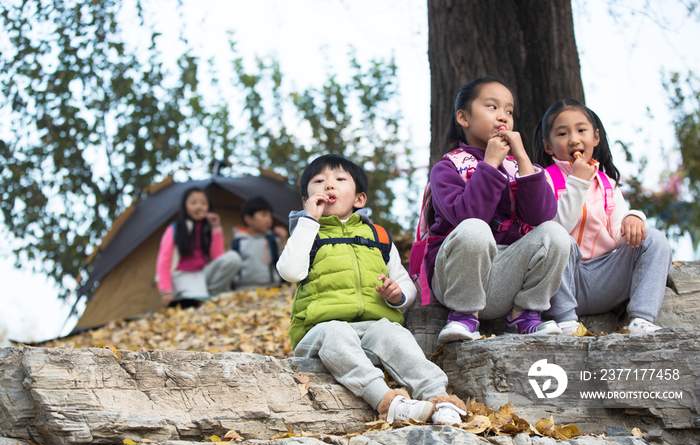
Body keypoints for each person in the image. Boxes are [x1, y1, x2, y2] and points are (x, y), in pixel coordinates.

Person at [277, 154, 468, 426]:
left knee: (393, 333)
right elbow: (289, 271)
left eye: (340, 180)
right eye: (319, 181)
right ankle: (388, 402)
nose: (329, 186)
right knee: (337, 331)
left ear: (359, 200)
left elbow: (404, 283)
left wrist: (397, 296)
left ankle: (439, 397)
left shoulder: (377, 236)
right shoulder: (308, 233)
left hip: (370, 329)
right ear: (306, 200)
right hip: (319, 333)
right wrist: (308, 220)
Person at [428, 76, 572, 344]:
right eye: (492, 107)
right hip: (456, 277)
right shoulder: (447, 168)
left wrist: (524, 160)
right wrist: (490, 163)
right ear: (463, 117)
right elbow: (468, 217)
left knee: (555, 232)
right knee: (475, 228)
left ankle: (524, 315)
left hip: (503, 280)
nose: (502, 117)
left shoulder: (519, 167)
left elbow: (540, 217)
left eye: (509, 111)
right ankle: (463, 316)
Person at [533, 99, 672, 335]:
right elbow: (555, 230)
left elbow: (621, 235)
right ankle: (566, 321)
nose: (574, 139)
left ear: (595, 138)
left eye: (581, 130)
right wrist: (577, 181)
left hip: (604, 278)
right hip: (561, 282)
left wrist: (633, 217)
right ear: (549, 146)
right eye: (563, 133)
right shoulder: (543, 179)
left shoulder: (608, 184)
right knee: (559, 239)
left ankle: (640, 319)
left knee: (655, 239)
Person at [156, 187, 240, 307]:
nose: (199, 207)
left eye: (203, 203)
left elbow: (218, 258)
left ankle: (209, 295)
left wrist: (216, 228)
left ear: (208, 207)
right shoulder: (175, 229)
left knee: (233, 258)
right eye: (193, 203)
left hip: (203, 272)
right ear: (185, 206)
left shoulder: (208, 228)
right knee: (199, 304)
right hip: (183, 274)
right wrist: (166, 292)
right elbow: (163, 262)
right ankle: (199, 296)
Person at [230, 196, 288, 289]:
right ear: (248, 219)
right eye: (264, 215)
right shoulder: (238, 242)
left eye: (270, 216)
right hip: (243, 290)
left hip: (272, 288)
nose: (269, 220)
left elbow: (286, 262)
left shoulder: (272, 240)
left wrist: (283, 240)